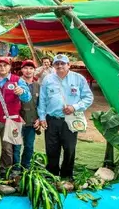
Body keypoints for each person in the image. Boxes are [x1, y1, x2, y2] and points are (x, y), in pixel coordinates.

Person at [37, 54, 94, 182]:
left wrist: (75, 107)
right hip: (52, 119)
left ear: (69, 65)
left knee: (69, 148)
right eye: (57, 64)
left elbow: (88, 97)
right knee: (51, 148)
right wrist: (42, 117)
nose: (60, 66)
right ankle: (52, 174)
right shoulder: (48, 79)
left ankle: (67, 175)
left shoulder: (78, 78)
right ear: (53, 65)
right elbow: (42, 99)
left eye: (63, 63)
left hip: (70, 119)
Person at [15, 60, 42, 171]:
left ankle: (25, 167)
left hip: (32, 121)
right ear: (21, 69)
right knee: (16, 146)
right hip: (17, 120)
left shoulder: (38, 86)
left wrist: (39, 118)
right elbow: (10, 103)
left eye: (31, 68)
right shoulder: (15, 84)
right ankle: (15, 169)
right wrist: (17, 116)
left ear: (34, 70)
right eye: (26, 68)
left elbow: (41, 104)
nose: (28, 71)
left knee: (29, 146)